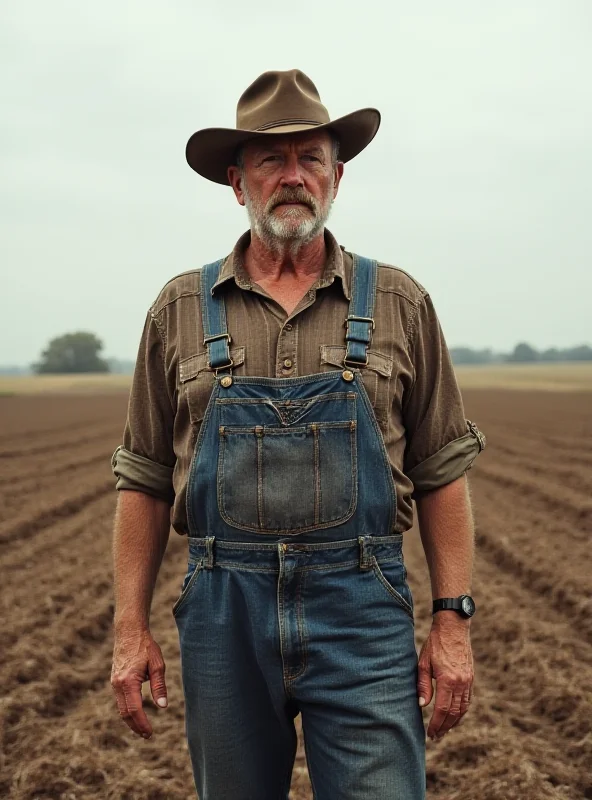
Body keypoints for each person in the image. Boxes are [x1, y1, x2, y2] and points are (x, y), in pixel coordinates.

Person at [110, 69, 486, 800]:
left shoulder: (401, 302)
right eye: (270, 161)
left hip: (362, 606)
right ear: (237, 181)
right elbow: (145, 479)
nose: (293, 177)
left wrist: (453, 621)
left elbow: (443, 472)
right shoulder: (180, 308)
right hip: (224, 611)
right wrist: (130, 628)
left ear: (337, 177)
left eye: (311, 158)